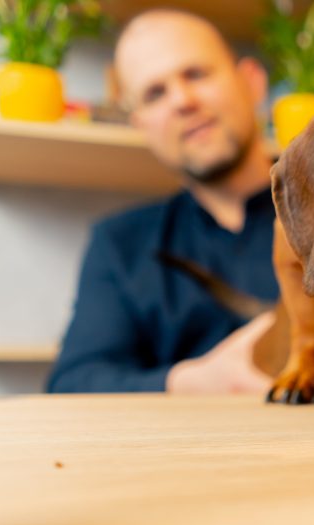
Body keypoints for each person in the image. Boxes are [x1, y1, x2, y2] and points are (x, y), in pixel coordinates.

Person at [48, 10, 279, 394]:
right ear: (142, 125)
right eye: (156, 93)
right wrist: (191, 382)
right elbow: (72, 383)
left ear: (252, 83)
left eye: (196, 74)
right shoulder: (120, 243)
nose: (183, 101)